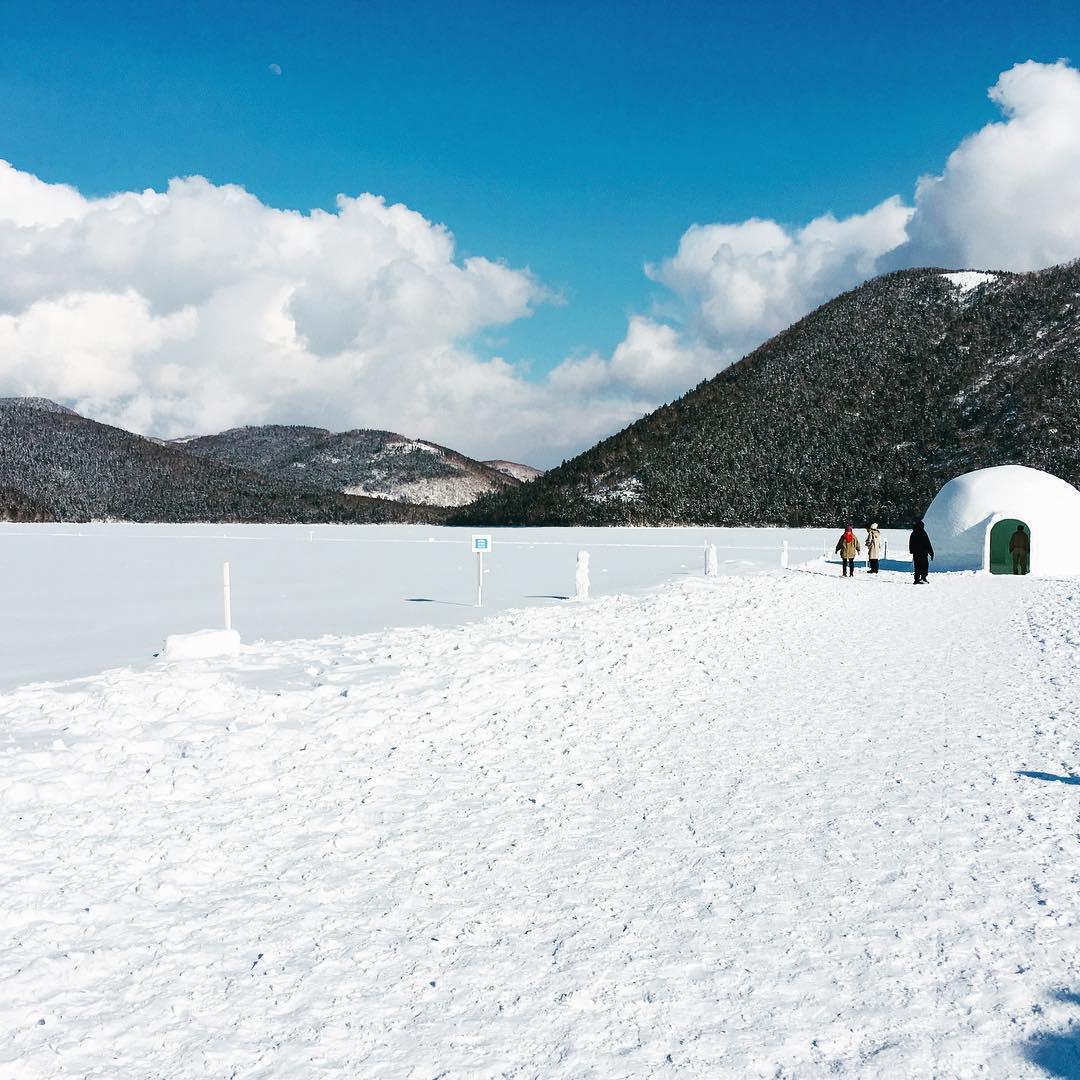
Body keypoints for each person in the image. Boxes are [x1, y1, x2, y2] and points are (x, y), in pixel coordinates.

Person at [909, 519, 934, 584]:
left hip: (916, 553)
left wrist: (912, 551)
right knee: (924, 565)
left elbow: (911, 543)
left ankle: (916, 579)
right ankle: (923, 578)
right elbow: (927, 543)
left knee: (917, 566)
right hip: (923, 553)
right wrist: (931, 552)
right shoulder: (923, 533)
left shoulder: (913, 533)